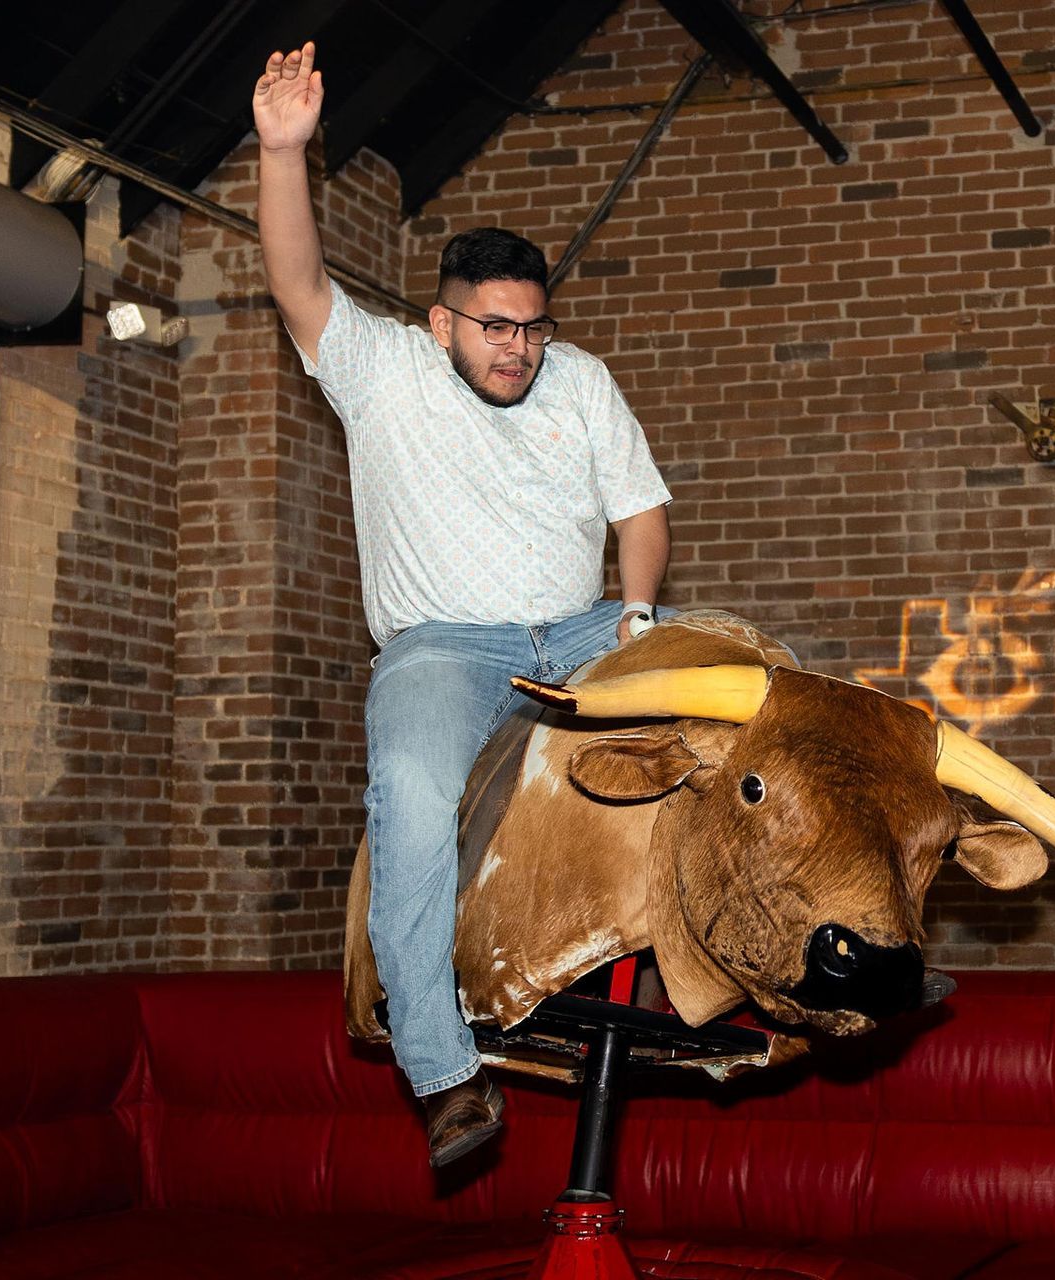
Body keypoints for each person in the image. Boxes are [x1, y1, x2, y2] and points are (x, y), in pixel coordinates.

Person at [252, 41, 672, 1167]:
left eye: (533, 327)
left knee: (734, 667)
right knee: (411, 784)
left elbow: (640, 514)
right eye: (495, 328)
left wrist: (635, 618)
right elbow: (297, 281)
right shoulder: (382, 368)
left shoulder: (576, 380)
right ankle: (443, 1073)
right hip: (444, 647)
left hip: (579, 630)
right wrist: (284, 151)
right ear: (443, 324)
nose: (519, 350)